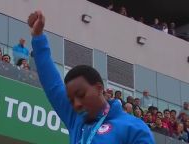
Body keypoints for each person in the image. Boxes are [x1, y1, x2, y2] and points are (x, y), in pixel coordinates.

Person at [28, 10, 154, 144]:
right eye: (71, 100)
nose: (76, 104)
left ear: (99, 88)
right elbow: (52, 83)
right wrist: (38, 37)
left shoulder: (133, 128)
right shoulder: (75, 119)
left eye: (81, 94)